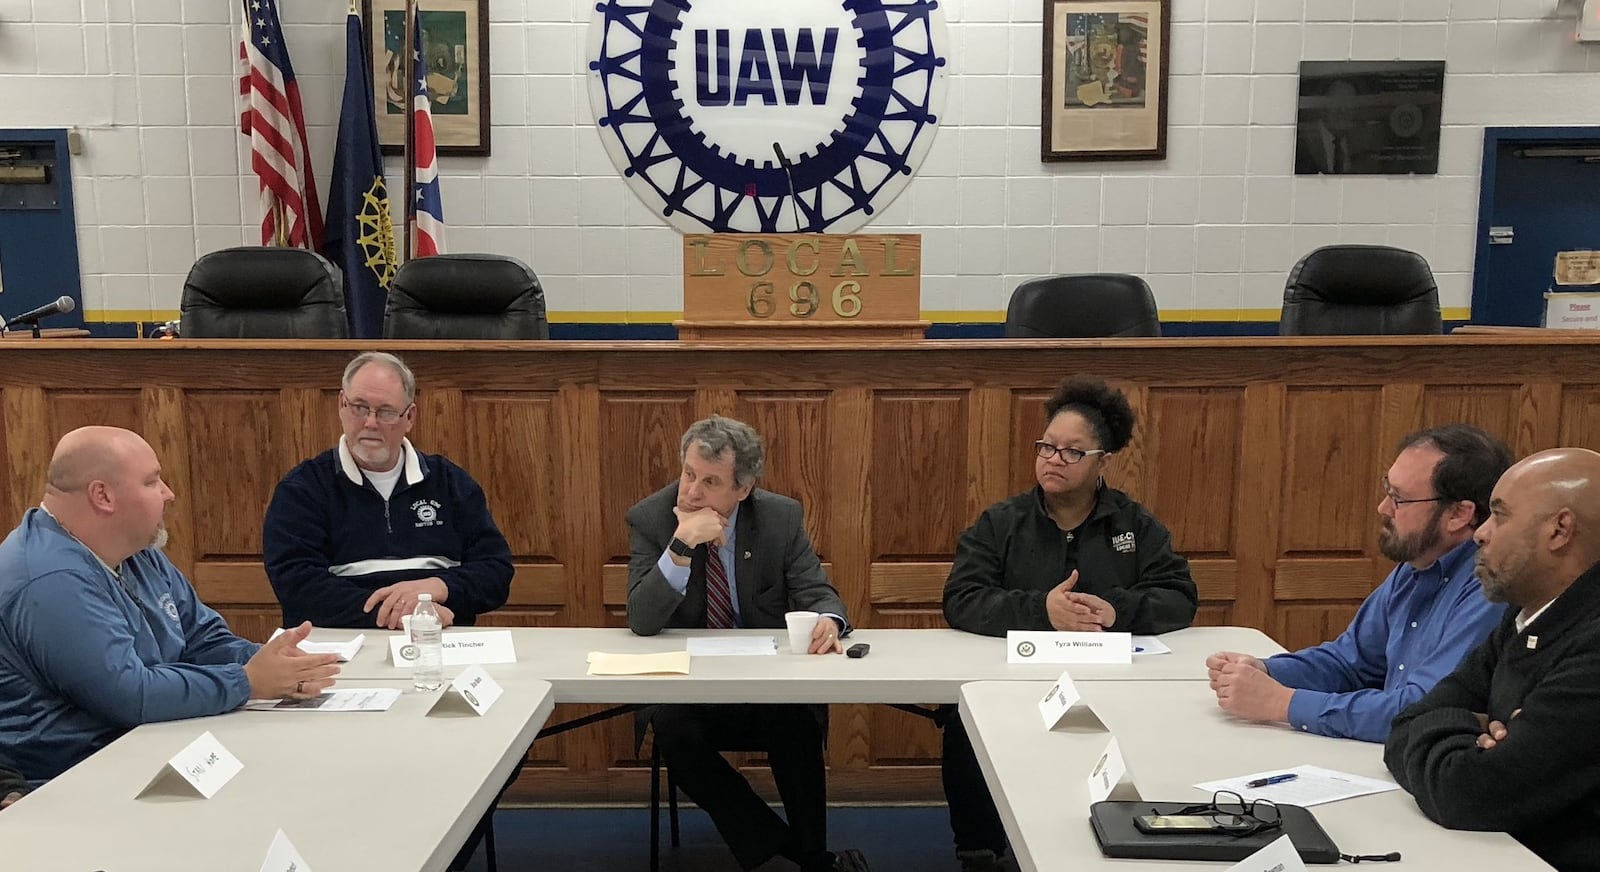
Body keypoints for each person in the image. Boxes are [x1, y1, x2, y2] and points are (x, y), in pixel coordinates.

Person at [941, 377, 1198, 872]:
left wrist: (1116, 611)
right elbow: (961, 598)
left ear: (1103, 460)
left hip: (1112, 684)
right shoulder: (1002, 522)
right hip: (1012, 682)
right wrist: (1044, 613)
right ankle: (977, 849)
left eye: (1071, 452)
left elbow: (1179, 597)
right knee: (960, 722)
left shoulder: (1134, 524)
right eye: (1047, 447)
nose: (1053, 460)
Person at [0, 427, 340, 781]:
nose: (169, 494)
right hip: (71, 780)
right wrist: (247, 681)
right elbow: (131, 695)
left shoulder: (135, 550)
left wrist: (278, 664)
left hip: (150, 748)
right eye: (152, 482)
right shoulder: (48, 578)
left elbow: (202, 638)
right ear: (102, 496)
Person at [627, 416, 867, 872]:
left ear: (744, 488)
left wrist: (830, 621)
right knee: (673, 730)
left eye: (711, 482)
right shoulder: (653, 518)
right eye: (689, 473)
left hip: (764, 686)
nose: (692, 492)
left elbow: (817, 591)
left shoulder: (780, 517)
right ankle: (785, 847)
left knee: (796, 720)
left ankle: (811, 855)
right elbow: (641, 619)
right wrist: (680, 546)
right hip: (687, 689)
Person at [1208, 424, 1512, 741]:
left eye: (1399, 499)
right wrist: (1265, 670)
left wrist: (1282, 703)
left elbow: (1422, 710)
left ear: (1459, 515)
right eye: (1387, 490)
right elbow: (1350, 663)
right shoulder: (1416, 565)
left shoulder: (1488, 586)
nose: (1383, 508)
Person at [1385, 448, 1600, 872]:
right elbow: (1406, 723)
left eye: (1499, 515)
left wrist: (1454, 733)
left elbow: (1465, 793)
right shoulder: (1525, 615)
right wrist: (1472, 729)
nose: (1480, 534)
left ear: (1559, 531)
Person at [263, 352, 513, 630]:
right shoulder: (302, 489)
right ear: (341, 405)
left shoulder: (451, 483)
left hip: (441, 641)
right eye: (359, 407)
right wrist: (411, 614)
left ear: (410, 417)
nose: (370, 422)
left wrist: (439, 587)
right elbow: (297, 586)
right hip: (339, 647)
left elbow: (496, 572)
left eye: (386, 412)